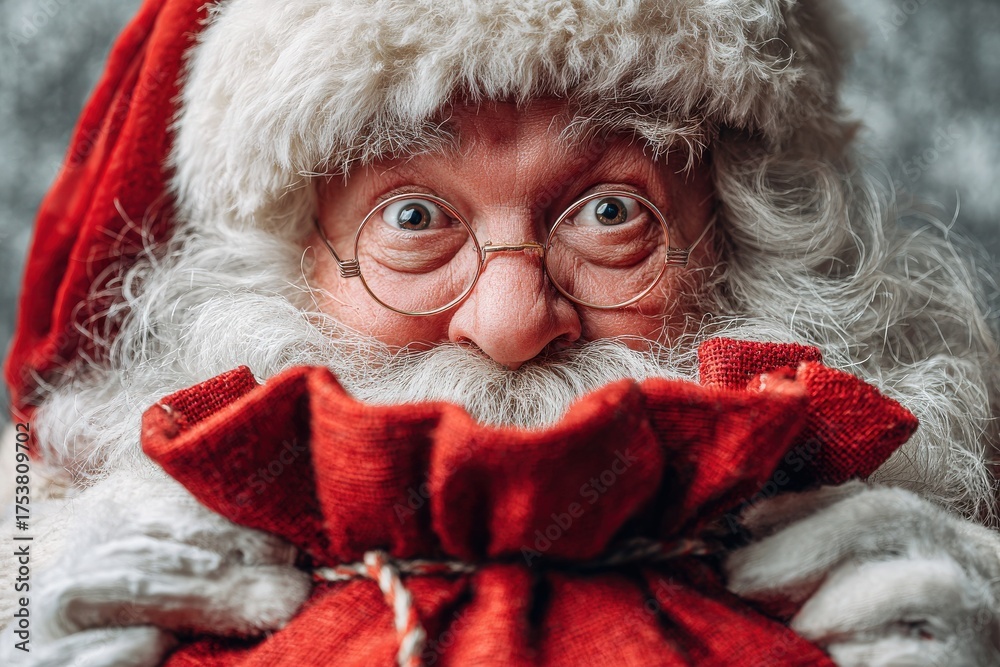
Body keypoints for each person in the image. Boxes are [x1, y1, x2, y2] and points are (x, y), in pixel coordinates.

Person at [2, 0, 999, 665]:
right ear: (288, 269)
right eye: (412, 218)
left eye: (611, 213)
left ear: (742, 244)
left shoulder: (900, 576)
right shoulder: (104, 557)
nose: (513, 323)